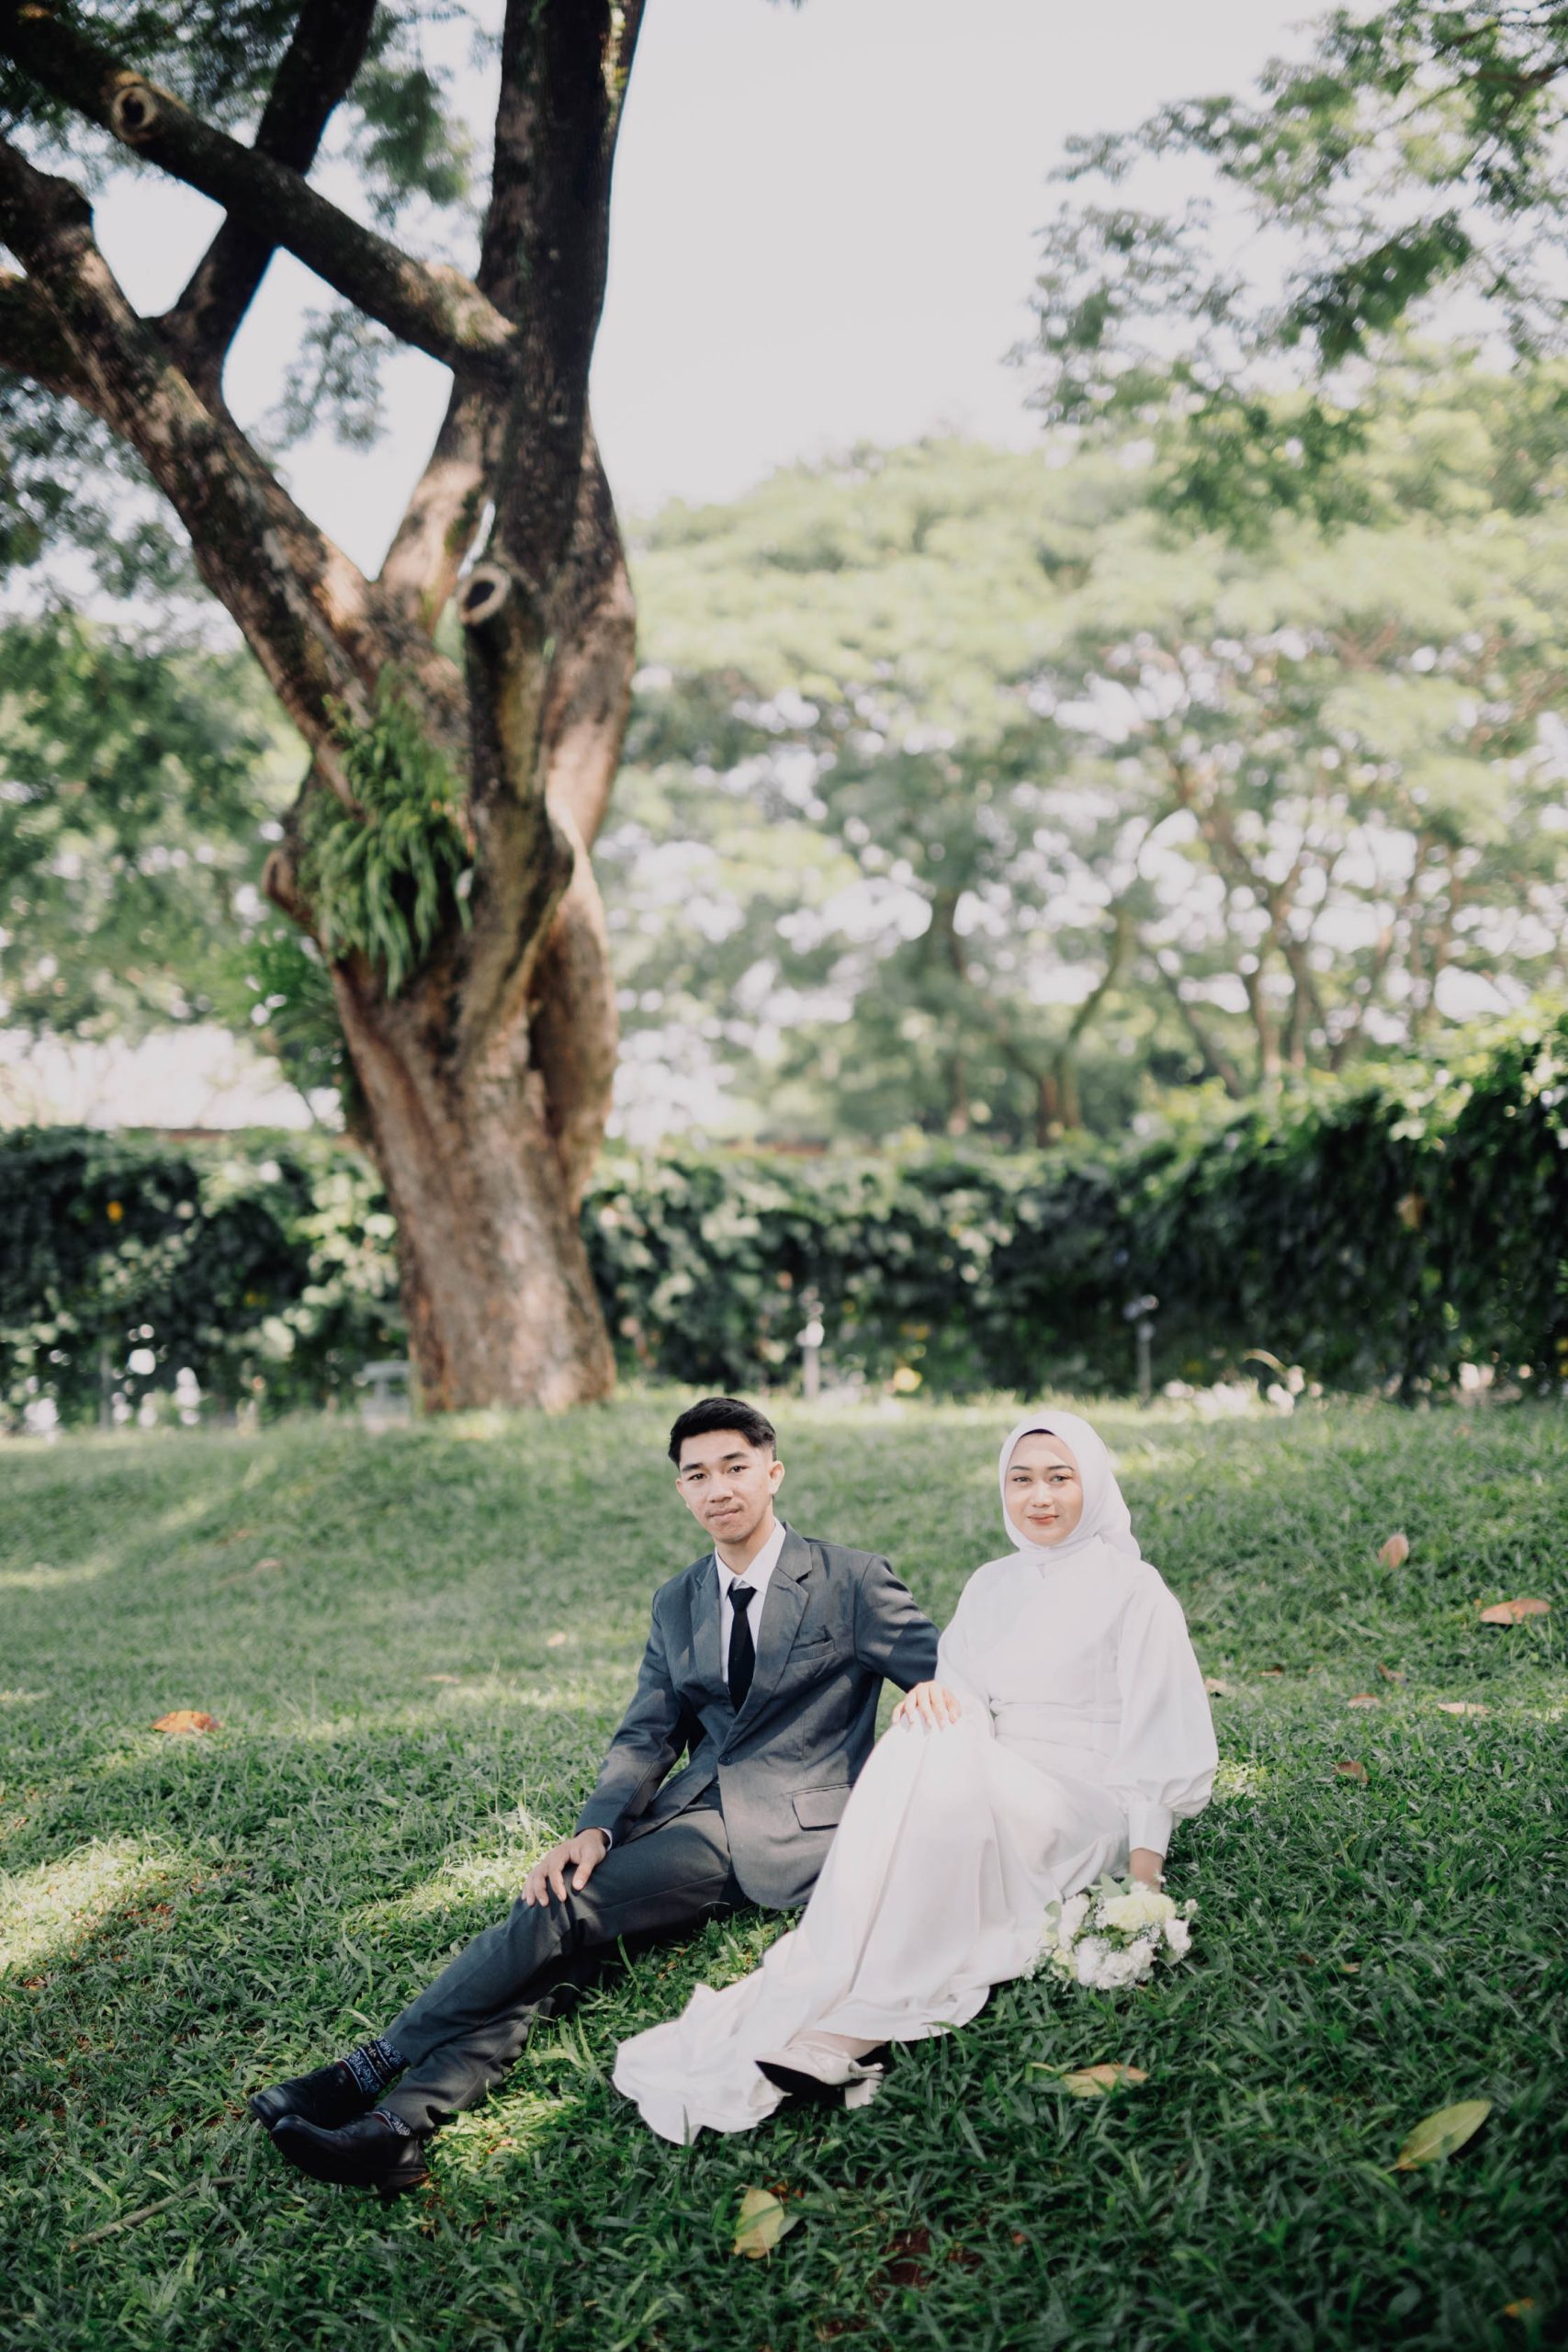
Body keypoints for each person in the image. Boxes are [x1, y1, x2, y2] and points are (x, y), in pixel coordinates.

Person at [249, 1395, 939, 2194]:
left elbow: (946, 1678)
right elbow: (649, 1731)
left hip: (792, 1827)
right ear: (680, 1491)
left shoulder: (850, 1579)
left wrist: (926, 1713)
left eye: (735, 1467)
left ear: (772, 1472)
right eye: (697, 1475)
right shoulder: (678, 1599)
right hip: (688, 1812)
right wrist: (596, 1829)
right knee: (558, 1953)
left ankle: (365, 2067)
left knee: (561, 1908)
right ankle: (395, 2127)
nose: (718, 1488)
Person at [613, 1408, 1217, 2143]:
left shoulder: (1134, 1589)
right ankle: (830, 1987)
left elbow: (1158, 1738)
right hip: (1000, 1776)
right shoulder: (992, 1584)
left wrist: (1143, 1882)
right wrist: (934, 1705)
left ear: (1091, 1483)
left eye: (1060, 1479)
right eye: (1020, 1480)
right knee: (916, 1732)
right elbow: (958, 1691)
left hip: (1088, 1799)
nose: (1039, 1497)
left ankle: (854, 2033)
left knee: (933, 1768)